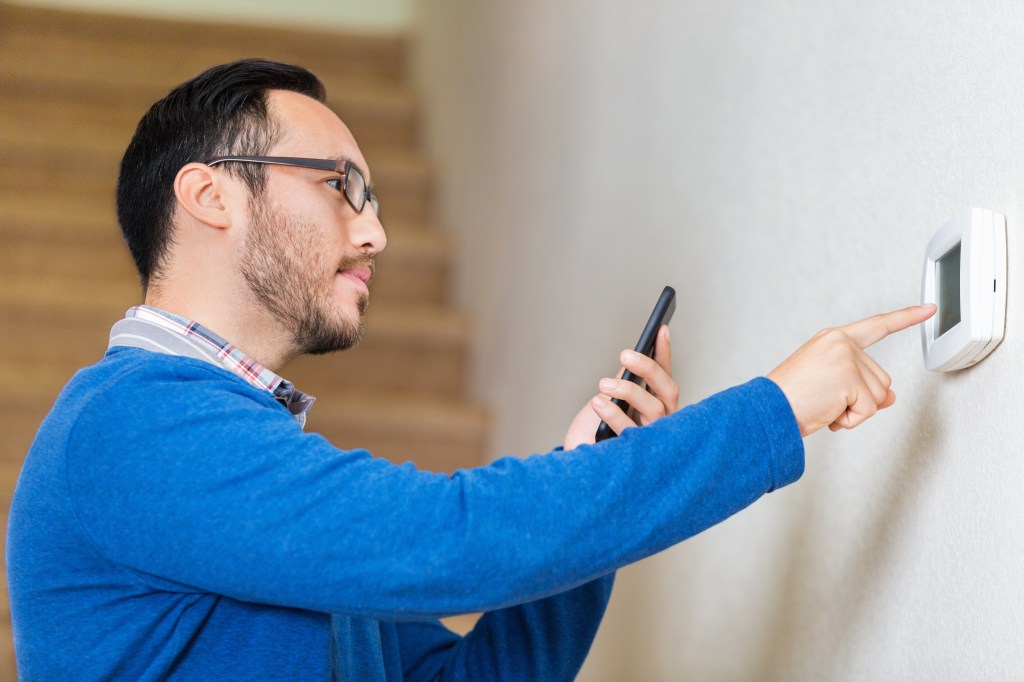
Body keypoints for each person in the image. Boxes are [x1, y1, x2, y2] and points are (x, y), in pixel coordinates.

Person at [5, 59, 935, 680]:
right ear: (209, 193)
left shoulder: (247, 470)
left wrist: (588, 476)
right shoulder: (131, 429)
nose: (374, 232)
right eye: (342, 187)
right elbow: (454, 546)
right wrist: (774, 412)